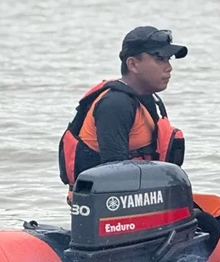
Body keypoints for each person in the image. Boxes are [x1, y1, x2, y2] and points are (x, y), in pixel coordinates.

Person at [58, 25, 187, 188]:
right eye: (160, 59)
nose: (168, 67)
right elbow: (115, 178)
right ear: (132, 64)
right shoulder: (116, 104)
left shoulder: (147, 100)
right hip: (110, 205)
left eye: (168, 59)